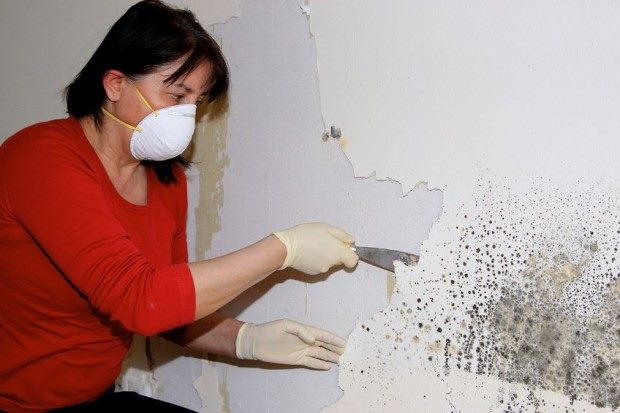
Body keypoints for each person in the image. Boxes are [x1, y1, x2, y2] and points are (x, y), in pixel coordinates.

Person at [0, 1, 359, 411]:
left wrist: (248, 339)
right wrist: (284, 249)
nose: (187, 116)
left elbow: (171, 310)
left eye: (197, 102)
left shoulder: (165, 181)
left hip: (92, 397)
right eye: (176, 95)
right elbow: (140, 300)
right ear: (115, 84)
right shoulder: (39, 159)